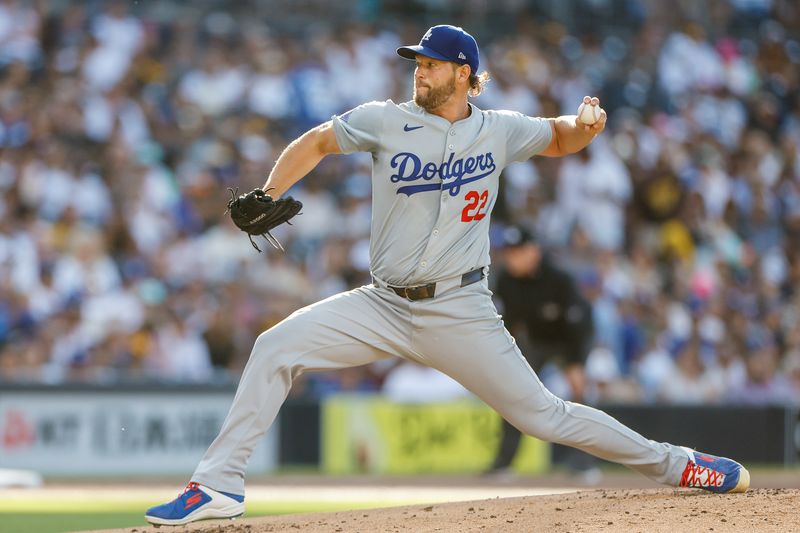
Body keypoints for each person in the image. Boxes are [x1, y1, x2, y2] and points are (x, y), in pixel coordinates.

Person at [145, 24, 749, 526]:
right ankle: (218, 485)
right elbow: (319, 140)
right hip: (382, 304)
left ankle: (680, 464)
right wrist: (271, 189)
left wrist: (585, 124)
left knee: (543, 416)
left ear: (463, 73)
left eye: (430, 64)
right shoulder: (386, 119)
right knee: (275, 345)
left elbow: (558, 138)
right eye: (417, 63)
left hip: (460, 308)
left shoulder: (498, 129)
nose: (419, 72)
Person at [485, 225, 596, 477]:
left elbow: (579, 324)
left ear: (533, 251)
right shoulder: (506, 279)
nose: (511, 257)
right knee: (512, 391)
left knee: (578, 392)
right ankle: (503, 463)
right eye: (509, 251)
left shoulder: (559, 279)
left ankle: (584, 463)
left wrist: (576, 362)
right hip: (535, 340)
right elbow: (507, 322)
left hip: (569, 340)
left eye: (517, 251)